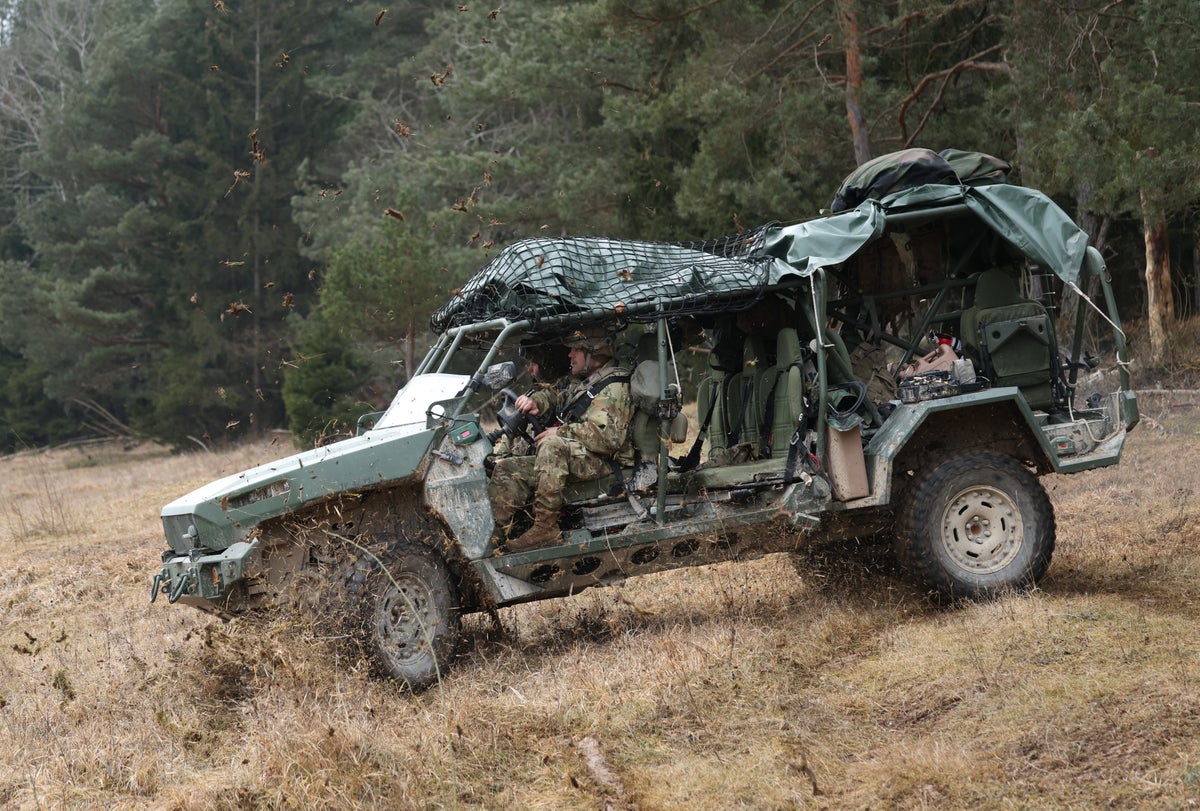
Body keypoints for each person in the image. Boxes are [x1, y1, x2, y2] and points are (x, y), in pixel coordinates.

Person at [488, 327, 633, 553]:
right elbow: (554, 394)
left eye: (576, 349)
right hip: (580, 456)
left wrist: (561, 432)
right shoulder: (583, 382)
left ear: (594, 352)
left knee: (552, 445)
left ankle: (545, 529)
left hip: (604, 462)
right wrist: (536, 402)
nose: (569, 355)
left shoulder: (614, 386)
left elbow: (609, 439)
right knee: (508, 468)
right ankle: (492, 539)